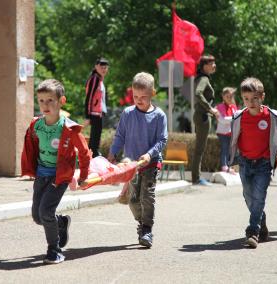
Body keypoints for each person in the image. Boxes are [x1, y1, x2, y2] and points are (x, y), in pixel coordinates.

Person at [21, 79, 92, 264]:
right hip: (41, 175)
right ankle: (60, 223)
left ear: (61, 101)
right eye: (41, 100)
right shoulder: (36, 125)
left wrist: (83, 176)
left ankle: (54, 249)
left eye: (50, 100)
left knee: (45, 211)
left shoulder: (69, 129)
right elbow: (32, 146)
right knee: (38, 217)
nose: (45, 105)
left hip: (59, 176)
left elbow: (84, 153)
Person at [108, 72, 168, 248]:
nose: (139, 100)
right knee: (134, 200)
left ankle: (147, 229)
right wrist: (112, 153)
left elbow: (162, 140)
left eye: (143, 97)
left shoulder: (159, 116)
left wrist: (149, 154)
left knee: (147, 195)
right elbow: (120, 136)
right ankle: (142, 223)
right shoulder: (127, 113)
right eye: (135, 96)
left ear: (152, 94)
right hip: (131, 165)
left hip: (150, 163)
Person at [229, 77, 277, 248]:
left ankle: (252, 231)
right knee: (248, 196)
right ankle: (261, 221)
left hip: (263, 163)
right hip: (245, 162)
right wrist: (233, 160)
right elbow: (234, 139)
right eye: (246, 99)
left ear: (262, 97)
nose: (250, 102)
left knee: (259, 196)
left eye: (255, 98)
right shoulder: (239, 117)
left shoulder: (273, 116)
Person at [191, 55, 220, 185]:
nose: (214, 66)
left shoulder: (202, 78)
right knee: (200, 149)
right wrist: (210, 109)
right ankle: (196, 179)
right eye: (211, 63)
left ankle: (196, 177)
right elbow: (198, 93)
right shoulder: (203, 78)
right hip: (203, 116)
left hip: (200, 115)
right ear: (205, 66)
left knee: (199, 148)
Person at [84, 57, 110, 158]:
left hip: (99, 112)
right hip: (93, 112)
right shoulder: (94, 78)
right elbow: (89, 97)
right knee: (95, 136)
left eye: (105, 67)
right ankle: (93, 155)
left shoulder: (100, 80)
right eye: (101, 67)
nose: (104, 69)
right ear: (96, 67)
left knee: (97, 135)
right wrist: (87, 115)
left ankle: (93, 155)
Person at [216, 87, 238, 173]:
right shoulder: (219, 107)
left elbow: (236, 119)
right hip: (222, 133)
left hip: (231, 133)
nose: (229, 98)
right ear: (223, 96)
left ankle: (229, 166)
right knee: (224, 149)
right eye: (227, 96)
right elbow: (223, 120)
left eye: (231, 96)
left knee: (230, 151)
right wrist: (233, 118)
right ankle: (224, 165)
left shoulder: (233, 107)